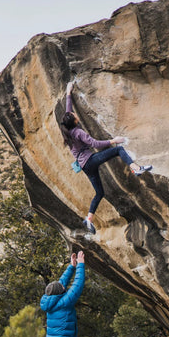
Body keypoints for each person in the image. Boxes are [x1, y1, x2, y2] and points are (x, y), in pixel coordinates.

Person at [60, 82, 152, 234]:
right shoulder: (78, 132)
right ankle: (135, 168)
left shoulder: (67, 130)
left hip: (85, 166)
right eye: (75, 115)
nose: (76, 114)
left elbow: (67, 111)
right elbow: (95, 143)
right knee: (118, 150)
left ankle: (88, 219)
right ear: (74, 120)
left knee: (100, 193)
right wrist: (113, 140)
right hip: (90, 160)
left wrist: (68, 93)